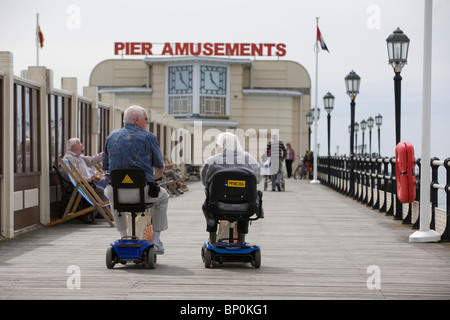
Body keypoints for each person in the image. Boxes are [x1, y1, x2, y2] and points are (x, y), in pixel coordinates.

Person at [103, 105, 169, 254]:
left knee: (113, 199)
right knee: (163, 197)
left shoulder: (111, 137)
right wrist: (150, 180)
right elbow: (159, 168)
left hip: (116, 192)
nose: (147, 122)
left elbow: (106, 168)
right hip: (141, 192)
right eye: (146, 119)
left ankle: (123, 237)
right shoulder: (149, 137)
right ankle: (156, 241)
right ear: (137, 119)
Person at [201, 132, 262, 244]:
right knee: (248, 198)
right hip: (245, 207)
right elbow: (258, 179)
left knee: (209, 200)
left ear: (221, 145)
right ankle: (242, 238)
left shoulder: (212, 161)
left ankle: (212, 237)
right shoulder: (249, 159)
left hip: (218, 205)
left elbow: (205, 181)